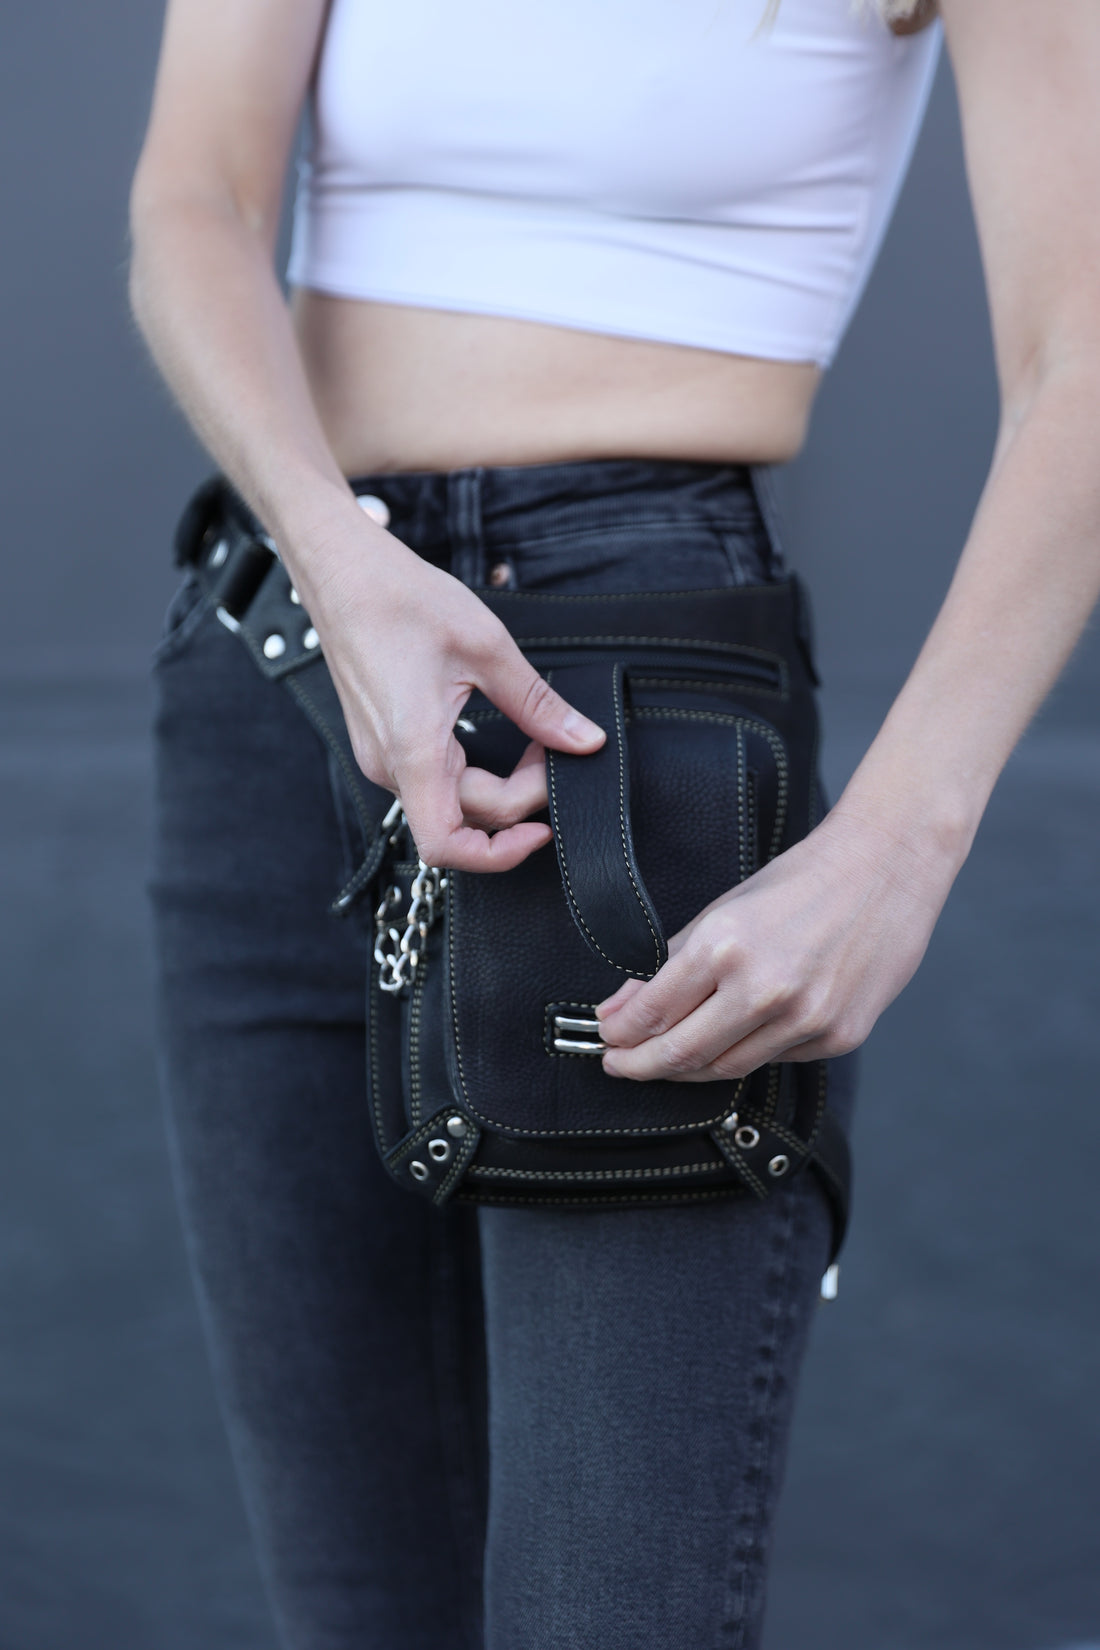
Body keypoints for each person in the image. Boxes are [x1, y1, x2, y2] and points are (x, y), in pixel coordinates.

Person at [128, 1, 1100, 1645]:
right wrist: (336, 557)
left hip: (629, 694)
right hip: (292, 659)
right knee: (360, 1616)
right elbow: (190, 201)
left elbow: (1085, 347)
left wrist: (896, 844)